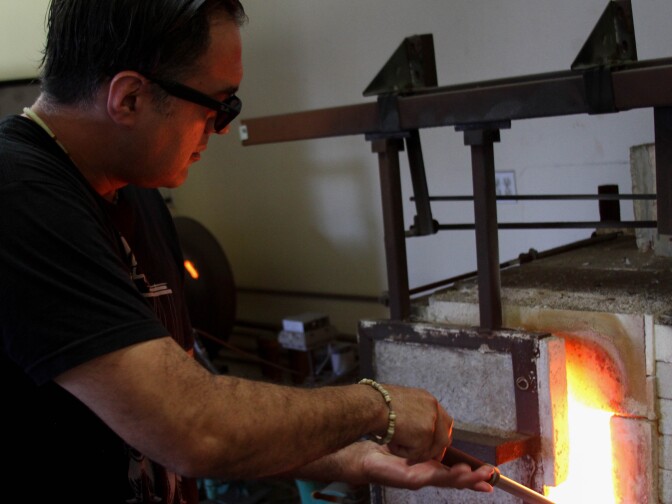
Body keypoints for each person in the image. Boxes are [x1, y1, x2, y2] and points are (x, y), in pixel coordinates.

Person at [0, 1, 495, 503]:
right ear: (129, 98)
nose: (221, 128)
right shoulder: (18, 197)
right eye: (220, 105)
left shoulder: (138, 193)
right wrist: (377, 408)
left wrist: (354, 456)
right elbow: (194, 427)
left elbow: (182, 413)